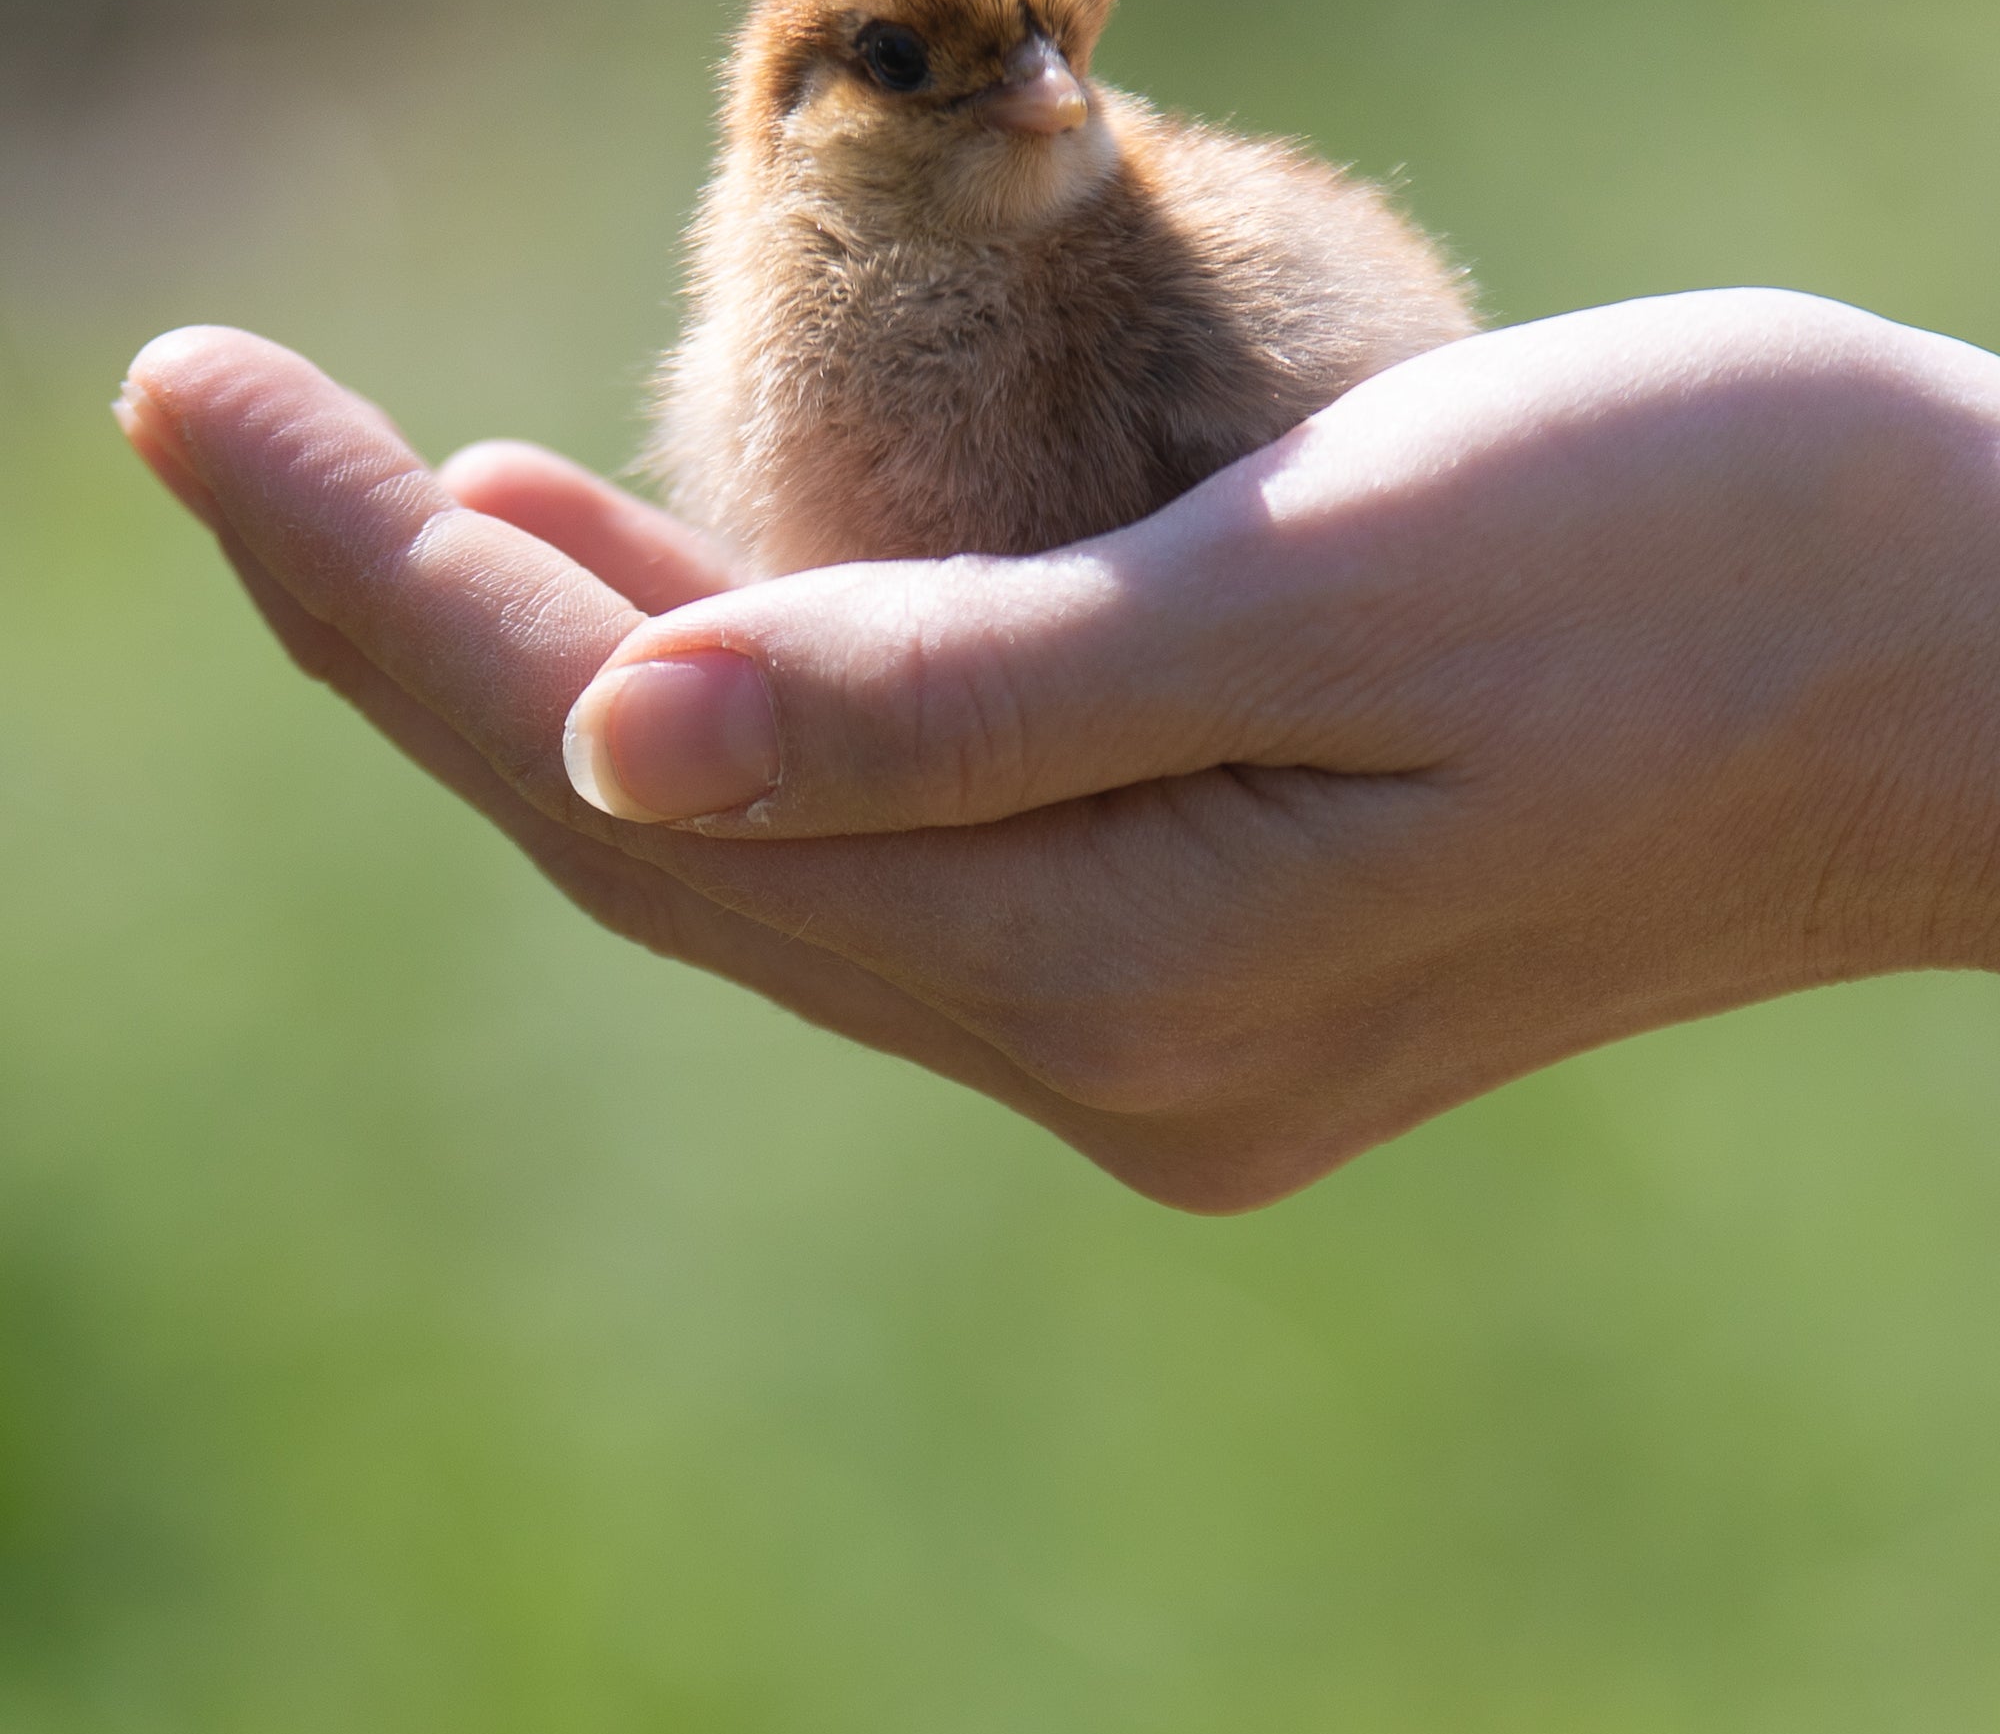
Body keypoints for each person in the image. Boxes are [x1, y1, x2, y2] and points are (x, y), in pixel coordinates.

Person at [116, 289, 2000, 1213]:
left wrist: (1928, 640)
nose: (1028, 96)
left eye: (1052, 49)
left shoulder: (1166, 260)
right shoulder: (808, 300)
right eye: (924, 69)